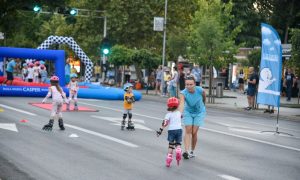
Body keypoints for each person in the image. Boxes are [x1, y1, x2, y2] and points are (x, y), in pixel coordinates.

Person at [179, 75, 206, 159]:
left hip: (199, 112)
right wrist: (180, 113)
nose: (189, 86)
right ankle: (186, 151)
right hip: (188, 112)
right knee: (188, 130)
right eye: (187, 84)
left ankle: (192, 150)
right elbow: (182, 103)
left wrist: (203, 105)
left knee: (194, 132)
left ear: (195, 84)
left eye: (191, 84)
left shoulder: (200, 90)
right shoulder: (183, 93)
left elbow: (204, 97)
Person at [156, 97, 183, 167]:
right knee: (178, 143)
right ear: (177, 105)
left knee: (171, 145)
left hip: (171, 130)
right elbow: (182, 116)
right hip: (179, 129)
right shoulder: (179, 113)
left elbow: (164, 124)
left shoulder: (168, 115)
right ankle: (178, 150)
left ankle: (168, 160)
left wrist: (160, 131)